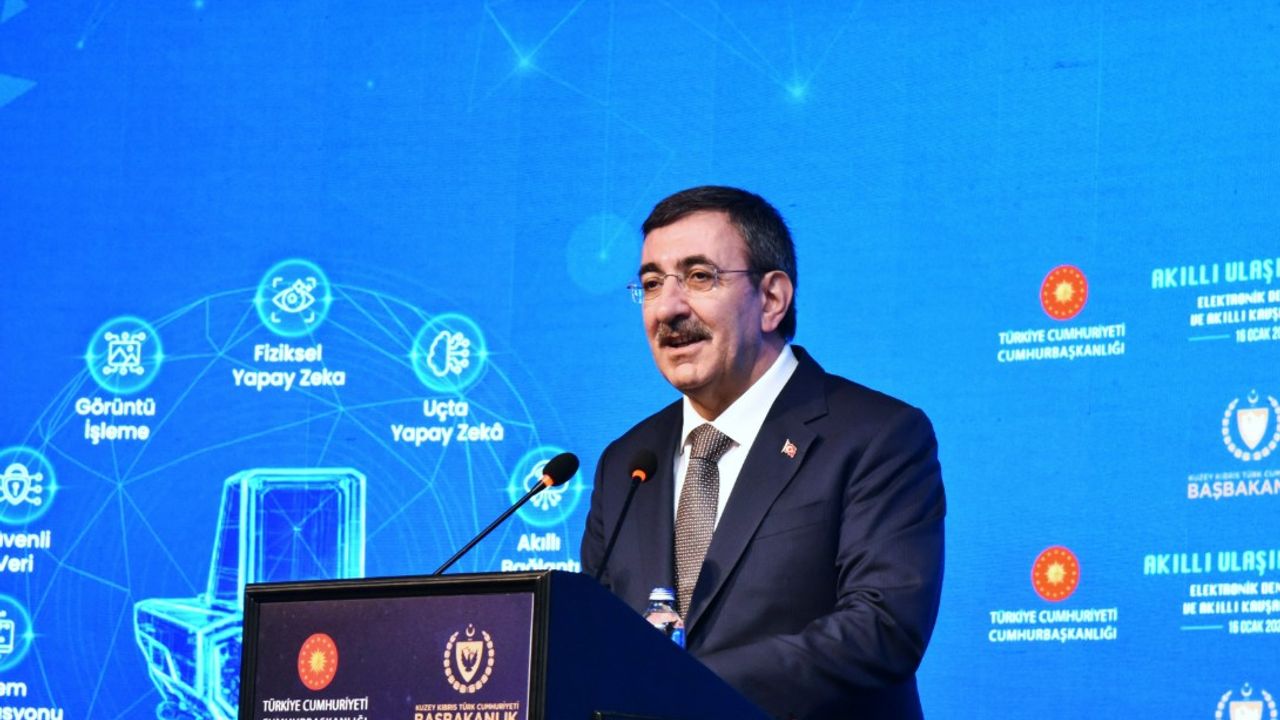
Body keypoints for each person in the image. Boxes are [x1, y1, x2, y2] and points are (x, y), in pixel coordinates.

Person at [580, 186, 946, 720]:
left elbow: (881, 628)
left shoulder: (876, 436)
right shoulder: (627, 462)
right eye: (653, 284)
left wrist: (679, 686)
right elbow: (595, 638)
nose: (669, 308)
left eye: (699, 277)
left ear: (772, 299)